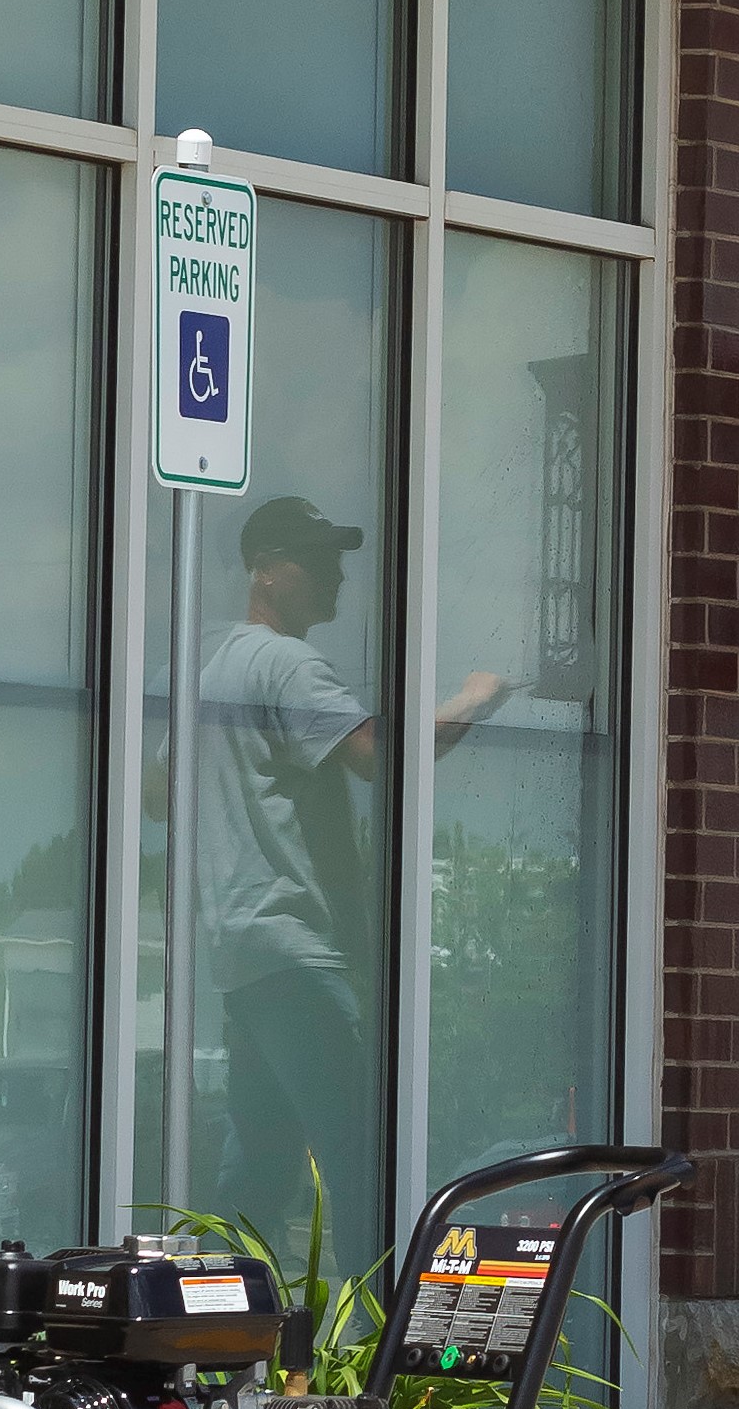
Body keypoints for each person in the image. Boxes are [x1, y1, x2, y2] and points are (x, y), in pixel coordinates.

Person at [192, 496, 511, 1255]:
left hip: (243, 954)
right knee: (366, 1161)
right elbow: (377, 757)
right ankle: (377, 1349)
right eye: (316, 557)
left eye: (338, 558)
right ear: (264, 570)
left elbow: (153, 790)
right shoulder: (285, 661)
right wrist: (475, 698)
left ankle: (223, 1345)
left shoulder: (213, 664)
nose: (336, 573)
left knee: (259, 1168)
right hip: (297, 952)